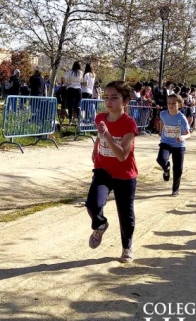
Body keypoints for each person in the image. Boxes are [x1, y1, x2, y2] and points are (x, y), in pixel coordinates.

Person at [86, 81, 139, 263]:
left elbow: (123, 155)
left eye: (114, 97)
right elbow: (100, 136)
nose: (109, 101)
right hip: (103, 170)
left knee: (125, 214)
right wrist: (96, 147)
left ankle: (127, 246)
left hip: (125, 174)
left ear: (125, 101)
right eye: (106, 97)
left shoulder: (129, 124)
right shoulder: (100, 117)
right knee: (92, 204)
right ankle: (100, 225)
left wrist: (107, 135)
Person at [157, 94, 191, 196]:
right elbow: (163, 123)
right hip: (166, 142)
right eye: (168, 103)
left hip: (178, 145)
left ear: (179, 105)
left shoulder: (182, 118)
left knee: (178, 169)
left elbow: (189, 134)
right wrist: (160, 132)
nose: (170, 105)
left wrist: (183, 137)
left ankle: (175, 190)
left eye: (173, 103)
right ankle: (166, 169)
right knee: (161, 159)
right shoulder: (163, 114)